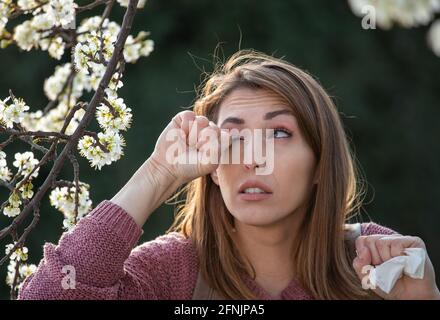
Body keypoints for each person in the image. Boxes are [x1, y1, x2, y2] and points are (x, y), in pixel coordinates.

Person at [18, 50, 439, 300]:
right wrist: (158, 172)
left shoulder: (369, 261)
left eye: (278, 133)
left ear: (319, 164)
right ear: (213, 169)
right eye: (234, 138)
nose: (254, 159)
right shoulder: (175, 273)